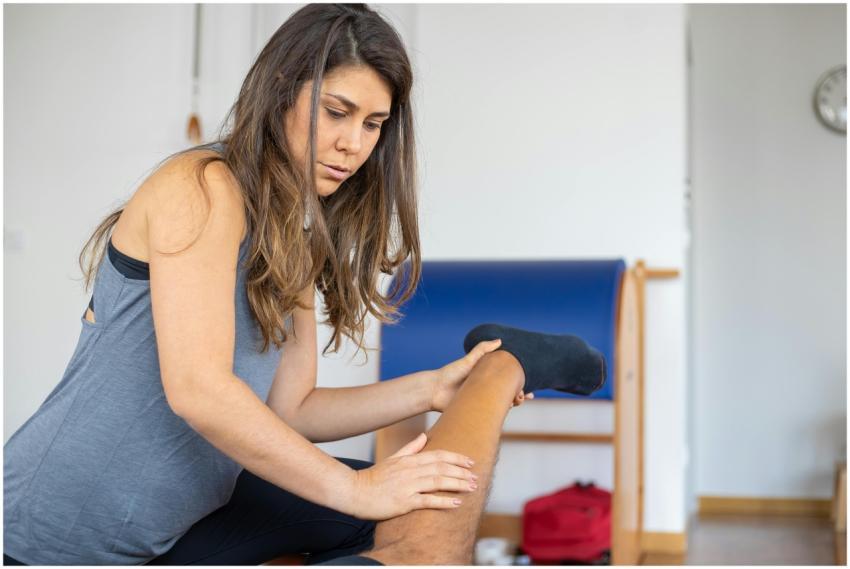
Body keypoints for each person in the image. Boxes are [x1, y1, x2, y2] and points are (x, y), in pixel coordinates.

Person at [2, 4, 534, 565]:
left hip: (180, 524)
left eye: (372, 124)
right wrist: (356, 489)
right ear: (282, 89)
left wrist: (430, 390)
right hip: (51, 540)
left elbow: (291, 408)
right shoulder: (202, 186)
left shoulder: (292, 229)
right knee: (368, 497)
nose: (354, 144)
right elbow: (199, 389)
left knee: (413, 505)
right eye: (336, 112)